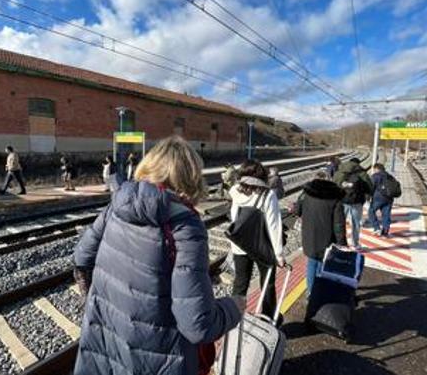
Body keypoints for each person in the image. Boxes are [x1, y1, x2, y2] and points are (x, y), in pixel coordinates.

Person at [72, 136, 243, 375]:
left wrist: (95, 301)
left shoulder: (117, 206)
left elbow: (81, 258)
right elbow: (198, 326)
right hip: (159, 359)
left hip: (106, 341)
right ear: (190, 178)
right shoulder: (185, 226)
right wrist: (234, 307)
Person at [229, 159, 284, 317]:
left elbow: (234, 218)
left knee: (240, 284)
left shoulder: (234, 191)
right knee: (267, 283)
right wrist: (279, 254)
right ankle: (268, 318)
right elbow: (274, 226)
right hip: (262, 246)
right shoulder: (268, 195)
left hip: (240, 245)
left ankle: (234, 318)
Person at [295, 170, 346, 293]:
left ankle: (311, 293)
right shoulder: (335, 199)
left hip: (309, 235)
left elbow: (297, 210)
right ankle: (319, 291)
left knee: (312, 262)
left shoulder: (306, 194)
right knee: (324, 265)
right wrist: (341, 242)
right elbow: (338, 223)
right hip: (327, 237)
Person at [333, 157, 373, 249]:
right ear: (358, 164)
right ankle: (355, 243)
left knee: (339, 222)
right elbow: (370, 188)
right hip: (357, 202)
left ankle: (339, 242)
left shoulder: (339, 172)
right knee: (356, 223)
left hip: (342, 201)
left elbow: (333, 185)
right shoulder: (362, 173)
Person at [368, 163, 394, 237]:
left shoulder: (375, 176)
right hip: (389, 198)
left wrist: (368, 196)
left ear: (377, 169)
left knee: (371, 212)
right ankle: (385, 230)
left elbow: (371, 187)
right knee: (386, 214)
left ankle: (376, 228)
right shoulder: (390, 176)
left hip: (378, 198)